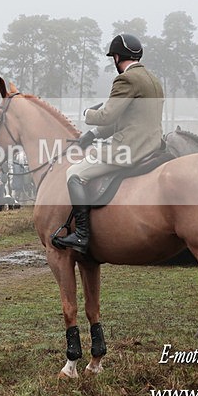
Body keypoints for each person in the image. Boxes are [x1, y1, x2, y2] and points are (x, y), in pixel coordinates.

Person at [53, 34, 164, 254]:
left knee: (74, 173)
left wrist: (88, 113)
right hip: (153, 145)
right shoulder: (152, 79)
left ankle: (82, 234)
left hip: (129, 149)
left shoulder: (126, 79)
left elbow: (107, 116)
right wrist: (93, 134)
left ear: (116, 57)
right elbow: (130, 118)